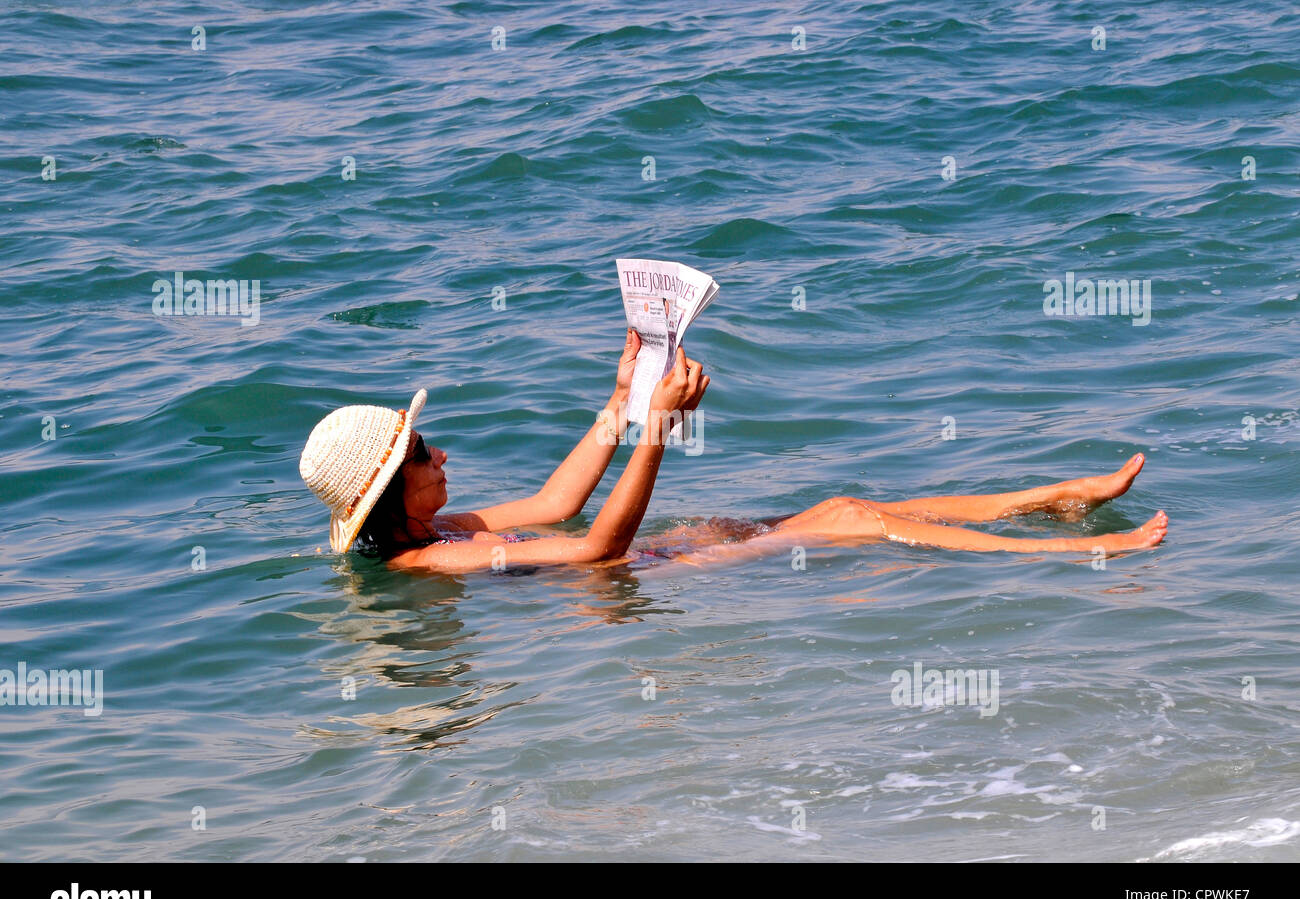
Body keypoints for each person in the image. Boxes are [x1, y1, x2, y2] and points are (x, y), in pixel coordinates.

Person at [299, 330, 1167, 572]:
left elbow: (559, 504)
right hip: (643, 575)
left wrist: (621, 398)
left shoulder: (446, 524)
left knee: (852, 505)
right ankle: (1083, 546)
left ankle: (1054, 496)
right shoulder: (431, 567)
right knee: (855, 517)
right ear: (387, 493)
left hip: (661, 550)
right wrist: (656, 434)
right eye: (421, 454)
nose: (441, 454)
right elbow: (595, 549)